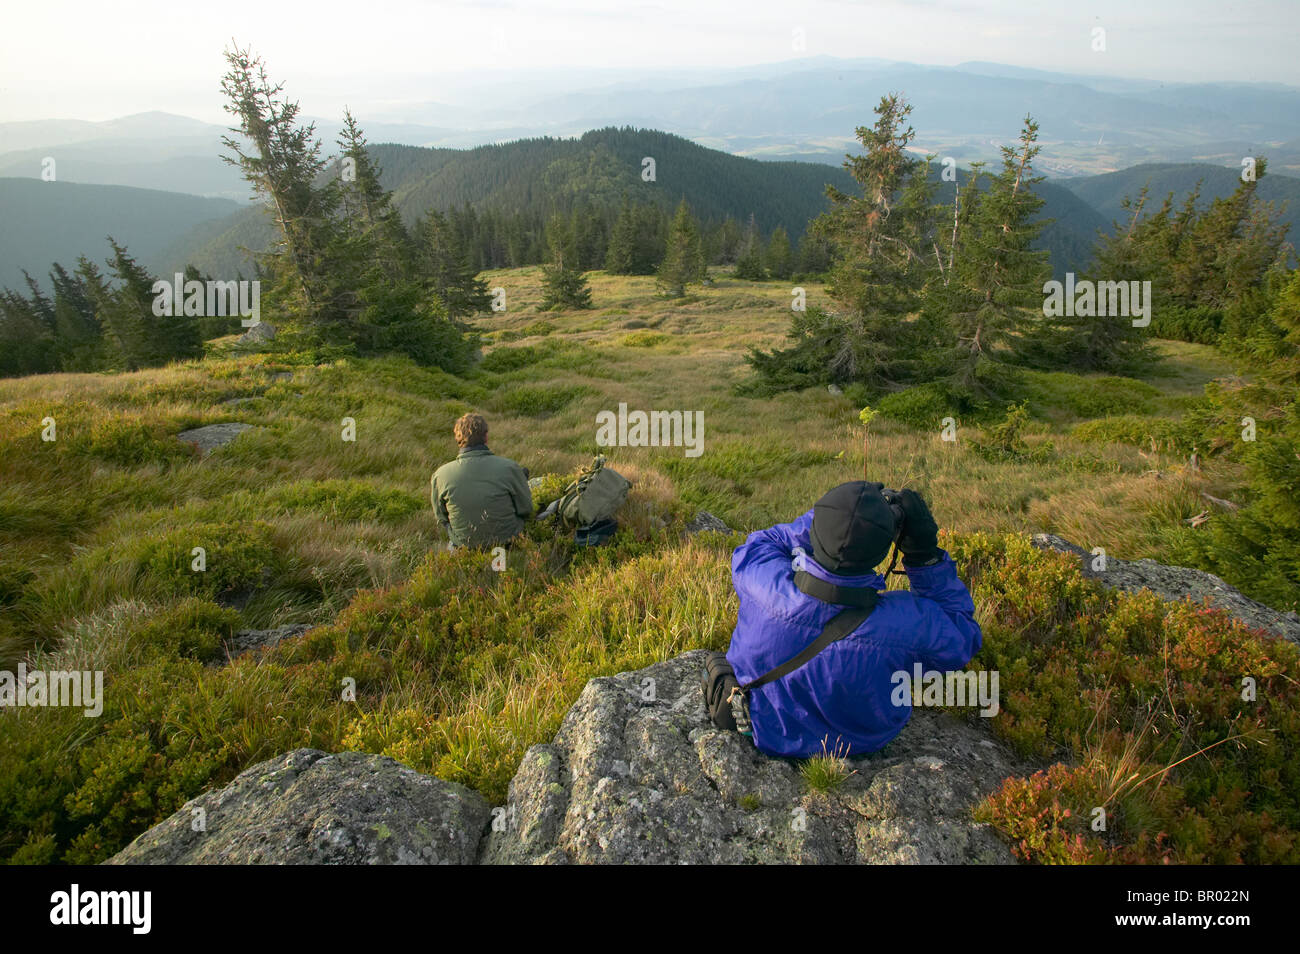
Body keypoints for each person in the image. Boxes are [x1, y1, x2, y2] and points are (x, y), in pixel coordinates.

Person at [722, 481, 981, 758]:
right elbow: (961, 633)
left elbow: (766, 541)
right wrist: (924, 555)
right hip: (858, 744)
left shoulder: (760, 579)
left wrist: (838, 514)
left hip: (761, 724)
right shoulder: (906, 625)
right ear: (881, 550)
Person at [431, 413, 532, 549]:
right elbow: (526, 509)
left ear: (458, 438)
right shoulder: (510, 468)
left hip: (463, 545)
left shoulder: (440, 475)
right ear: (486, 436)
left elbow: (442, 517)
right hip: (507, 543)